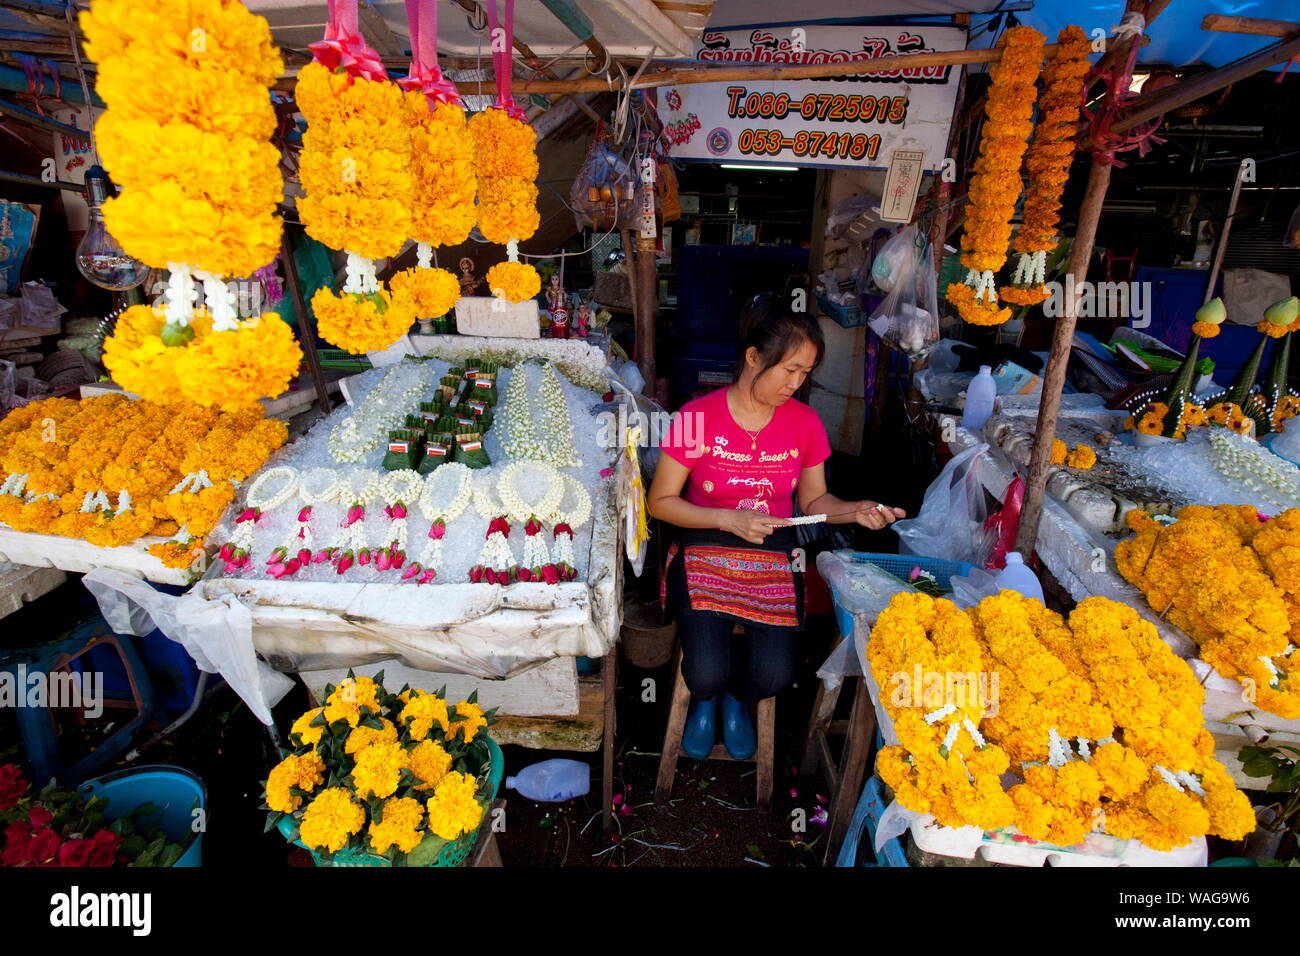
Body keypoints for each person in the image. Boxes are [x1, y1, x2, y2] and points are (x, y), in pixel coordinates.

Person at [649, 295, 906, 760]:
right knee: (704, 670)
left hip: (773, 552)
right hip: (705, 543)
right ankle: (706, 699)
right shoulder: (694, 417)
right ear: (753, 358)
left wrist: (855, 509)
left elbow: (814, 502)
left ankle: (738, 699)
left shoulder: (805, 423)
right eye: (789, 369)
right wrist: (728, 517)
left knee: (775, 675)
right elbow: (661, 502)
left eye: (805, 373)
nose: (797, 382)